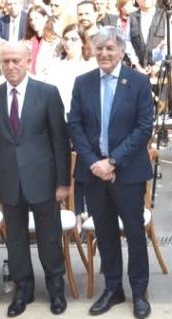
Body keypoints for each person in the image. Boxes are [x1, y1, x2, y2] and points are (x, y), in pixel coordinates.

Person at [68, 27, 154, 319]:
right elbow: (75, 125)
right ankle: (113, 288)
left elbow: (143, 127)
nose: (104, 53)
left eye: (110, 48)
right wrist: (95, 163)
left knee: (134, 232)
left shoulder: (138, 82)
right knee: (104, 233)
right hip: (93, 173)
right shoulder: (83, 83)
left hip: (127, 172)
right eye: (99, 48)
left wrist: (113, 162)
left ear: (121, 51)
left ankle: (139, 292)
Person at [0, 42, 70, 317]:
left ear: (28, 61)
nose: (10, 66)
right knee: (16, 239)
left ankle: (56, 288)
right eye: (5, 61)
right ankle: (23, 290)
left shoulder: (47, 93)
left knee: (49, 237)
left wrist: (63, 182)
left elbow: (60, 141)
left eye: (16, 61)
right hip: (8, 181)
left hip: (43, 179)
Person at [41, 24, 96, 113]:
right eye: (66, 39)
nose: (68, 43)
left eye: (73, 39)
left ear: (82, 42)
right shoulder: (55, 65)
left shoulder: (90, 66)